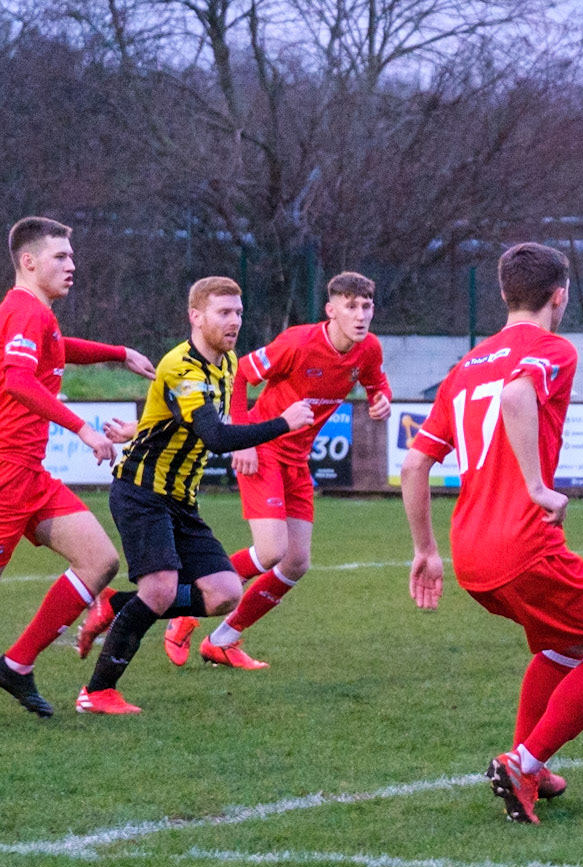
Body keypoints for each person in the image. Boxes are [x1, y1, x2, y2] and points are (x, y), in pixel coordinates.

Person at [401, 242, 583, 824]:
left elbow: (413, 464)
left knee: (559, 644)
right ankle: (524, 763)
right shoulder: (553, 348)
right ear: (560, 295)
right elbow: (516, 393)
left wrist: (425, 551)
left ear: (505, 295)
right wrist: (534, 486)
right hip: (525, 546)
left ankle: (530, 765)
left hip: (470, 554)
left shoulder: (465, 367)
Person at [74, 276, 313, 714]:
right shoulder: (182, 367)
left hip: (181, 499)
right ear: (195, 317)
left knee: (224, 592)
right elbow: (216, 436)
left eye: (239, 312)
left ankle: (116, 605)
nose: (234, 321)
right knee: (162, 589)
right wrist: (283, 423)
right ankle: (97, 692)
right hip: (142, 492)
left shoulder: (228, 362)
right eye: (224, 312)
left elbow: (177, 417)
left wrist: (137, 428)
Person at [149, 271, 392, 670]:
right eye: (351, 306)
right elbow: (241, 373)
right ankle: (186, 609)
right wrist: (245, 438)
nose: (361, 314)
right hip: (262, 450)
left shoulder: (369, 349)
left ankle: (222, 640)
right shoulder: (298, 342)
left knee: (296, 563)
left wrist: (381, 401)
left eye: (367, 306)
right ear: (331, 311)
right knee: (271, 551)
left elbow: (377, 386)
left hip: (298, 459)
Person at [0, 217, 156, 718]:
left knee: (98, 560)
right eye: (60, 257)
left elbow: (61, 351)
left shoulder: (39, 316)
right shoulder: (23, 309)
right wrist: (82, 429)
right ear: (28, 262)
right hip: (5, 472)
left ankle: (16, 666)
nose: (73, 265)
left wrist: (119, 353)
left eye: (72, 256)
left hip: (30, 474)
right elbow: (18, 380)